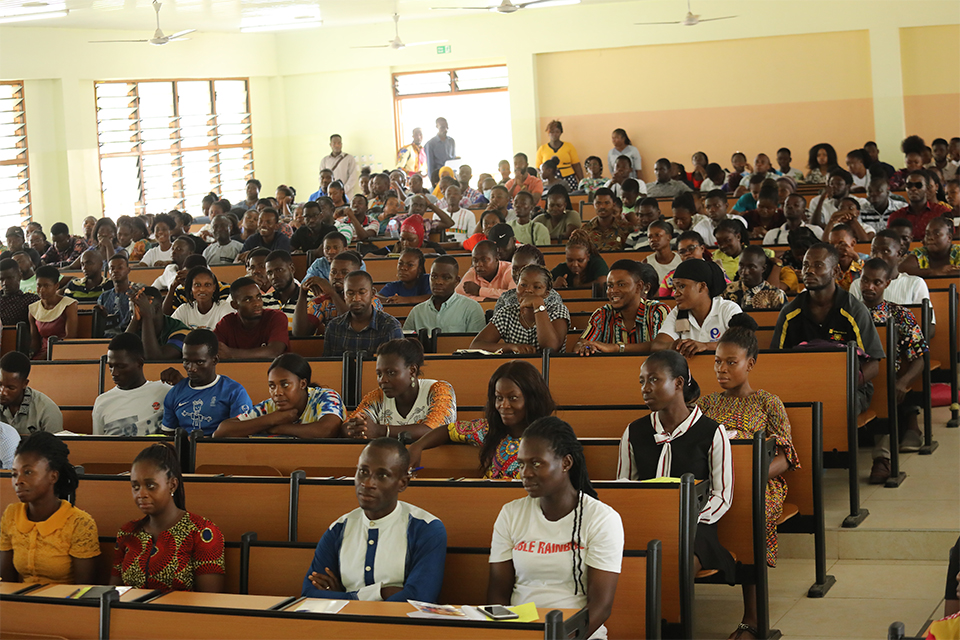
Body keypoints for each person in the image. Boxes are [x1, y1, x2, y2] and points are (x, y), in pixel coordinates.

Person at [695, 318, 799, 637]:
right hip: (714, 483)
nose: (721, 369)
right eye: (716, 362)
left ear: (749, 364)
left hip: (759, 483)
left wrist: (751, 479)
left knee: (752, 513)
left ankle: (751, 619)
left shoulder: (767, 401)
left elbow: (786, 456)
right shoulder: (706, 404)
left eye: (731, 362)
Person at [489, 417, 623, 639]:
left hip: (579, 635)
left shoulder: (602, 518)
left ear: (566, 463)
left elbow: (600, 607)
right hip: (521, 633)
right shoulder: (510, 514)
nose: (525, 473)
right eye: (521, 464)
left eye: (536, 463)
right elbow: (497, 595)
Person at [618, 351, 735, 581]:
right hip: (648, 520)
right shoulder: (634, 431)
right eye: (642, 381)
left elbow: (722, 495)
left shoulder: (712, 432)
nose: (645, 388)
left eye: (654, 379)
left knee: (681, 562)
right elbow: (625, 486)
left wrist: (684, 521)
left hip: (697, 525)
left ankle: (674, 616)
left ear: (678, 383)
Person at [302, 438, 446, 602]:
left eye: (382, 475)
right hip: (343, 626)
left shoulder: (426, 529)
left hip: (401, 626)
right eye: (363, 472)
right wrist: (380, 594)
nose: (367, 483)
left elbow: (418, 599)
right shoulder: (339, 528)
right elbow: (309, 594)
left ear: (402, 483)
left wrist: (340, 596)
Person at [771, 242, 884, 417]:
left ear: (835, 272)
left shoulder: (854, 310)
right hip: (802, 384)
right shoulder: (790, 312)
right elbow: (776, 360)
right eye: (806, 265)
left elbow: (873, 364)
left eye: (818, 265)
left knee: (838, 405)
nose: (809, 271)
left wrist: (840, 385)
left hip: (850, 386)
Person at [110, 443, 228, 593]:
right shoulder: (127, 532)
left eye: (150, 485)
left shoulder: (202, 532)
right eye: (136, 486)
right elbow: (114, 592)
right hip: (130, 614)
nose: (141, 494)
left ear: (172, 485)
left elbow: (210, 601)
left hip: (181, 615)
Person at [409, 360, 556, 479]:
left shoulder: (549, 438)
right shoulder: (487, 430)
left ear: (532, 399)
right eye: (499, 398)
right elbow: (448, 430)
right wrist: (417, 446)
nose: (503, 405)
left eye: (513, 398)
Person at [856, 258, 928, 480]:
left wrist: (903, 382)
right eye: (865, 280)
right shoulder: (846, 312)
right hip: (851, 375)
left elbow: (919, 358)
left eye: (876, 282)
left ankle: (882, 458)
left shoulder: (900, 314)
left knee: (883, 388)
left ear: (887, 284)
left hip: (884, 377)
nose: (869, 286)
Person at [0, 432, 99, 584]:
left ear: (53, 476)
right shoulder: (11, 515)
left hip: (63, 605)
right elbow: (7, 583)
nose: (18, 481)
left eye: (28, 472)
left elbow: (83, 590)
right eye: (14, 474)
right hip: (21, 604)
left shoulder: (79, 523)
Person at [343, 339, 456, 441]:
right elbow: (347, 426)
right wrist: (357, 427)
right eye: (379, 374)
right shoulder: (377, 397)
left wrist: (381, 431)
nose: (382, 380)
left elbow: (435, 430)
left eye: (391, 372)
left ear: (412, 370)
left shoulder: (439, 390)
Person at [215, 354, 344, 438]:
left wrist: (278, 428)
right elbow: (222, 431)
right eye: (272, 386)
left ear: (302, 383)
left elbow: (327, 430)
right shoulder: (269, 406)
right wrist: (273, 419)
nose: (277, 392)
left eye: (285, 385)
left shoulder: (326, 397)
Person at [157, 329, 253, 436]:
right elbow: (168, 435)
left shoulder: (234, 392)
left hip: (220, 449)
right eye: (186, 361)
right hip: (183, 449)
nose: (191, 368)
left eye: (199, 362)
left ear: (215, 360)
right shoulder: (174, 393)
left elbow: (241, 436)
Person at [576, 259, 670, 356]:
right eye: (610, 285)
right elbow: (580, 344)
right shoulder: (602, 314)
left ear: (639, 286)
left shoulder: (657, 311)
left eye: (621, 285)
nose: (613, 290)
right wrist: (586, 347)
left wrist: (617, 348)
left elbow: (661, 346)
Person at [471, 265, 569, 354]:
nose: (528, 290)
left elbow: (551, 348)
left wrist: (538, 305)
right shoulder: (508, 312)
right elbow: (476, 346)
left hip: (552, 368)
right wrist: (511, 347)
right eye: (523, 285)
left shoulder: (557, 310)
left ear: (546, 293)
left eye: (537, 287)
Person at [651, 259, 740, 356]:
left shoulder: (727, 309)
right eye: (675, 288)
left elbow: (742, 343)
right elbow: (656, 345)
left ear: (702, 286)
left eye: (682, 286)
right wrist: (675, 345)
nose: (676, 294)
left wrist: (706, 346)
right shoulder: (678, 312)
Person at [850, 230, 935, 329]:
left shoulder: (915, 284)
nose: (878, 256)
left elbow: (929, 328)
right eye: (874, 251)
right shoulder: (858, 284)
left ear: (899, 254)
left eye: (885, 251)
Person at [93, 334, 169, 436]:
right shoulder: (102, 402)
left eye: (121, 366)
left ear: (139, 363)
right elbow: (98, 445)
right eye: (111, 366)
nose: (114, 373)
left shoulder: (165, 391)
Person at [322, 271, 403, 357]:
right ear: (344, 296)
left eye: (362, 292)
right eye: (350, 293)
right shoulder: (334, 327)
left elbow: (396, 365)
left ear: (372, 293)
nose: (356, 298)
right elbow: (327, 365)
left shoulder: (390, 326)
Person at [402, 256, 485, 334]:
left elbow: (474, 346)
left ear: (457, 281)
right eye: (434, 277)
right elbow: (405, 345)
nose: (438, 282)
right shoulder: (417, 312)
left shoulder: (471, 308)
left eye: (446, 278)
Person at [214, 277, 289, 360]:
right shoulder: (227, 323)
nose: (257, 303)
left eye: (258, 297)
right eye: (248, 300)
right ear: (234, 305)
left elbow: (274, 352)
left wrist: (231, 353)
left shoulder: (276, 317)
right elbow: (215, 350)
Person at [0, 351, 62, 435]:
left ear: (24, 384)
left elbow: (53, 447)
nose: (2, 392)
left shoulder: (47, 411)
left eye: (11, 388)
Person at [28, 266, 78, 359]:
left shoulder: (69, 305)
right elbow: (35, 342)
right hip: (42, 355)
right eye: (39, 285)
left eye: (46, 286)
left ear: (57, 286)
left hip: (63, 353)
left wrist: (47, 355)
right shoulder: (33, 308)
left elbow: (70, 337)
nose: (41, 290)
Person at [888, 170, 953, 240]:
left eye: (918, 185)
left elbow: (951, 240)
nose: (913, 188)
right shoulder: (896, 216)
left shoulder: (942, 212)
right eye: (909, 185)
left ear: (927, 188)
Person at [170, 266, 234, 330]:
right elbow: (169, 330)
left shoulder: (224, 308)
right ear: (191, 288)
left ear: (214, 288)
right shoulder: (184, 310)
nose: (202, 289)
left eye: (207, 285)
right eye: (197, 285)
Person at [722, 246, 786, 310]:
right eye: (741, 265)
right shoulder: (726, 291)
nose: (745, 272)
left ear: (763, 268)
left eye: (751, 267)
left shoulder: (777, 295)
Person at [98, 254, 145, 337]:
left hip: (131, 338)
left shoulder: (136, 293)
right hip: (105, 339)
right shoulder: (104, 297)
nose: (115, 271)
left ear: (128, 270)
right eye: (112, 268)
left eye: (120, 268)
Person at [536, 120, 583, 191]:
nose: (554, 134)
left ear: (561, 132)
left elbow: (576, 165)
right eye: (551, 132)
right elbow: (538, 167)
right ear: (548, 133)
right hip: (549, 181)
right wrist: (543, 178)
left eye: (557, 132)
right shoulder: (542, 149)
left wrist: (582, 182)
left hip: (568, 178)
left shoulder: (569, 146)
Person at [0, 257, 39, 327]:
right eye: (1, 279)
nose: (4, 283)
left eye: (9, 278)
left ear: (19, 276)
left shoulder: (30, 301)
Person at [827, 224, 865, 291]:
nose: (836, 248)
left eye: (841, 243)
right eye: (832, 244)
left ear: (853, 243)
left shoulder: (866, 259)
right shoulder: (829, 264)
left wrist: (856, 258)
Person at [425, 117, 457, 187]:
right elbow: (430, 166)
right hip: (439, 178)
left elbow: (453, 159)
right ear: (437, 127)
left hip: (451, 176)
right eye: (442, 127)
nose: (445, 130)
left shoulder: (451, 141)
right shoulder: (431, 144)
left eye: (446, 127)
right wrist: (433, 183)